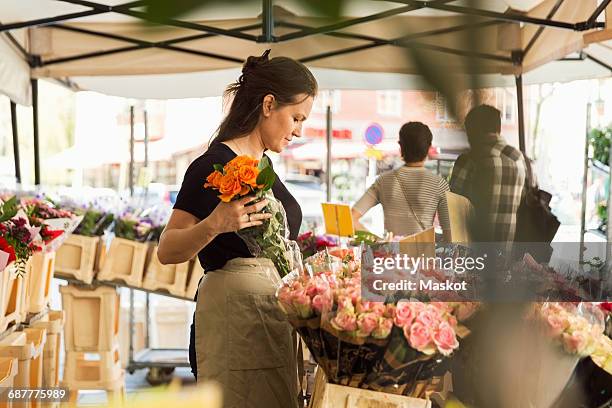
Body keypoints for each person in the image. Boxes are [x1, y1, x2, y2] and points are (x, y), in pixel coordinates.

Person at [157, 50, 316, 408]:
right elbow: (167, 250)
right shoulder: (211, 166)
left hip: (269, 320)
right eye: (296, 118)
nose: (298, 130)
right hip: (235, 324)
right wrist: (216, 224)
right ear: (269, 104)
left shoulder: (264, 166)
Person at [351, 121, 451, 240]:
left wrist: (379, 242)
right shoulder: (439, 184)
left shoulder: (383, 181)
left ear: (401, 146)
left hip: (390, 256)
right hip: (424, 256)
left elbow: (351, 218)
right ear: (429, 148)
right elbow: (450, 234)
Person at [449, 104, 526, 242]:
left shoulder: (469, 160)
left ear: (473, 131)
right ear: (499, 128)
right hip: (506, 248)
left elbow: (453, 206)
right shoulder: (518, 158)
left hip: (473, 249)